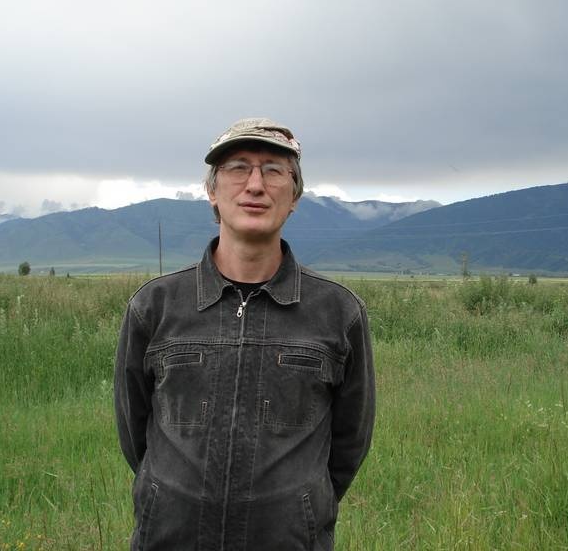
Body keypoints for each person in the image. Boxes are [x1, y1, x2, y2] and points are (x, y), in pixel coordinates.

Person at [114, 118, 375, 551]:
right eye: (238, 168)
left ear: (294, 196)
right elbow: (134, 434)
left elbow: (349, 444)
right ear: (212, 192)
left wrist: (301, 509)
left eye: (273, 170)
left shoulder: (338, 312)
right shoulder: (154, 307)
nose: (255, 185)